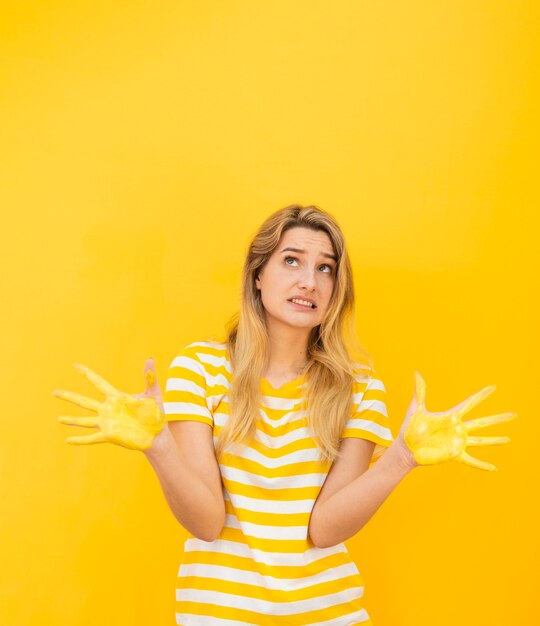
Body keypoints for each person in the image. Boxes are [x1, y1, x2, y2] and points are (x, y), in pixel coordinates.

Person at [53, 204, 516, 626]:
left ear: (337, 288)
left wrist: (402, 458)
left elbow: (325, 528)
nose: (309, 282)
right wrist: (159, 448)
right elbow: (207, 521)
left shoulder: (359, 388)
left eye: (325, 269)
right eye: (291, 261)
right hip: (218, 616)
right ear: (258, 274)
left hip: (330, 616)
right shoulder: (200, 369)